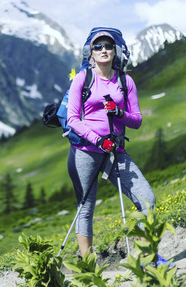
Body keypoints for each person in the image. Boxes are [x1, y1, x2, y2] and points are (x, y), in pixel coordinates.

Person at [66, 30, 158, 260]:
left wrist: (119, 113)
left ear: (115, 49)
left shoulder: (126, 81)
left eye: (108, 45)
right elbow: (72, 120)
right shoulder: (82, 79)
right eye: (98, 46)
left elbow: (136, 121)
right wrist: (98, 140)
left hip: (116, 151)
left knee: (147, 200)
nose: (103, 50)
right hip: (85, 151)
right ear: (91, 53)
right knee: (86, 209)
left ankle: (145, 258)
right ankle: (89, 265)